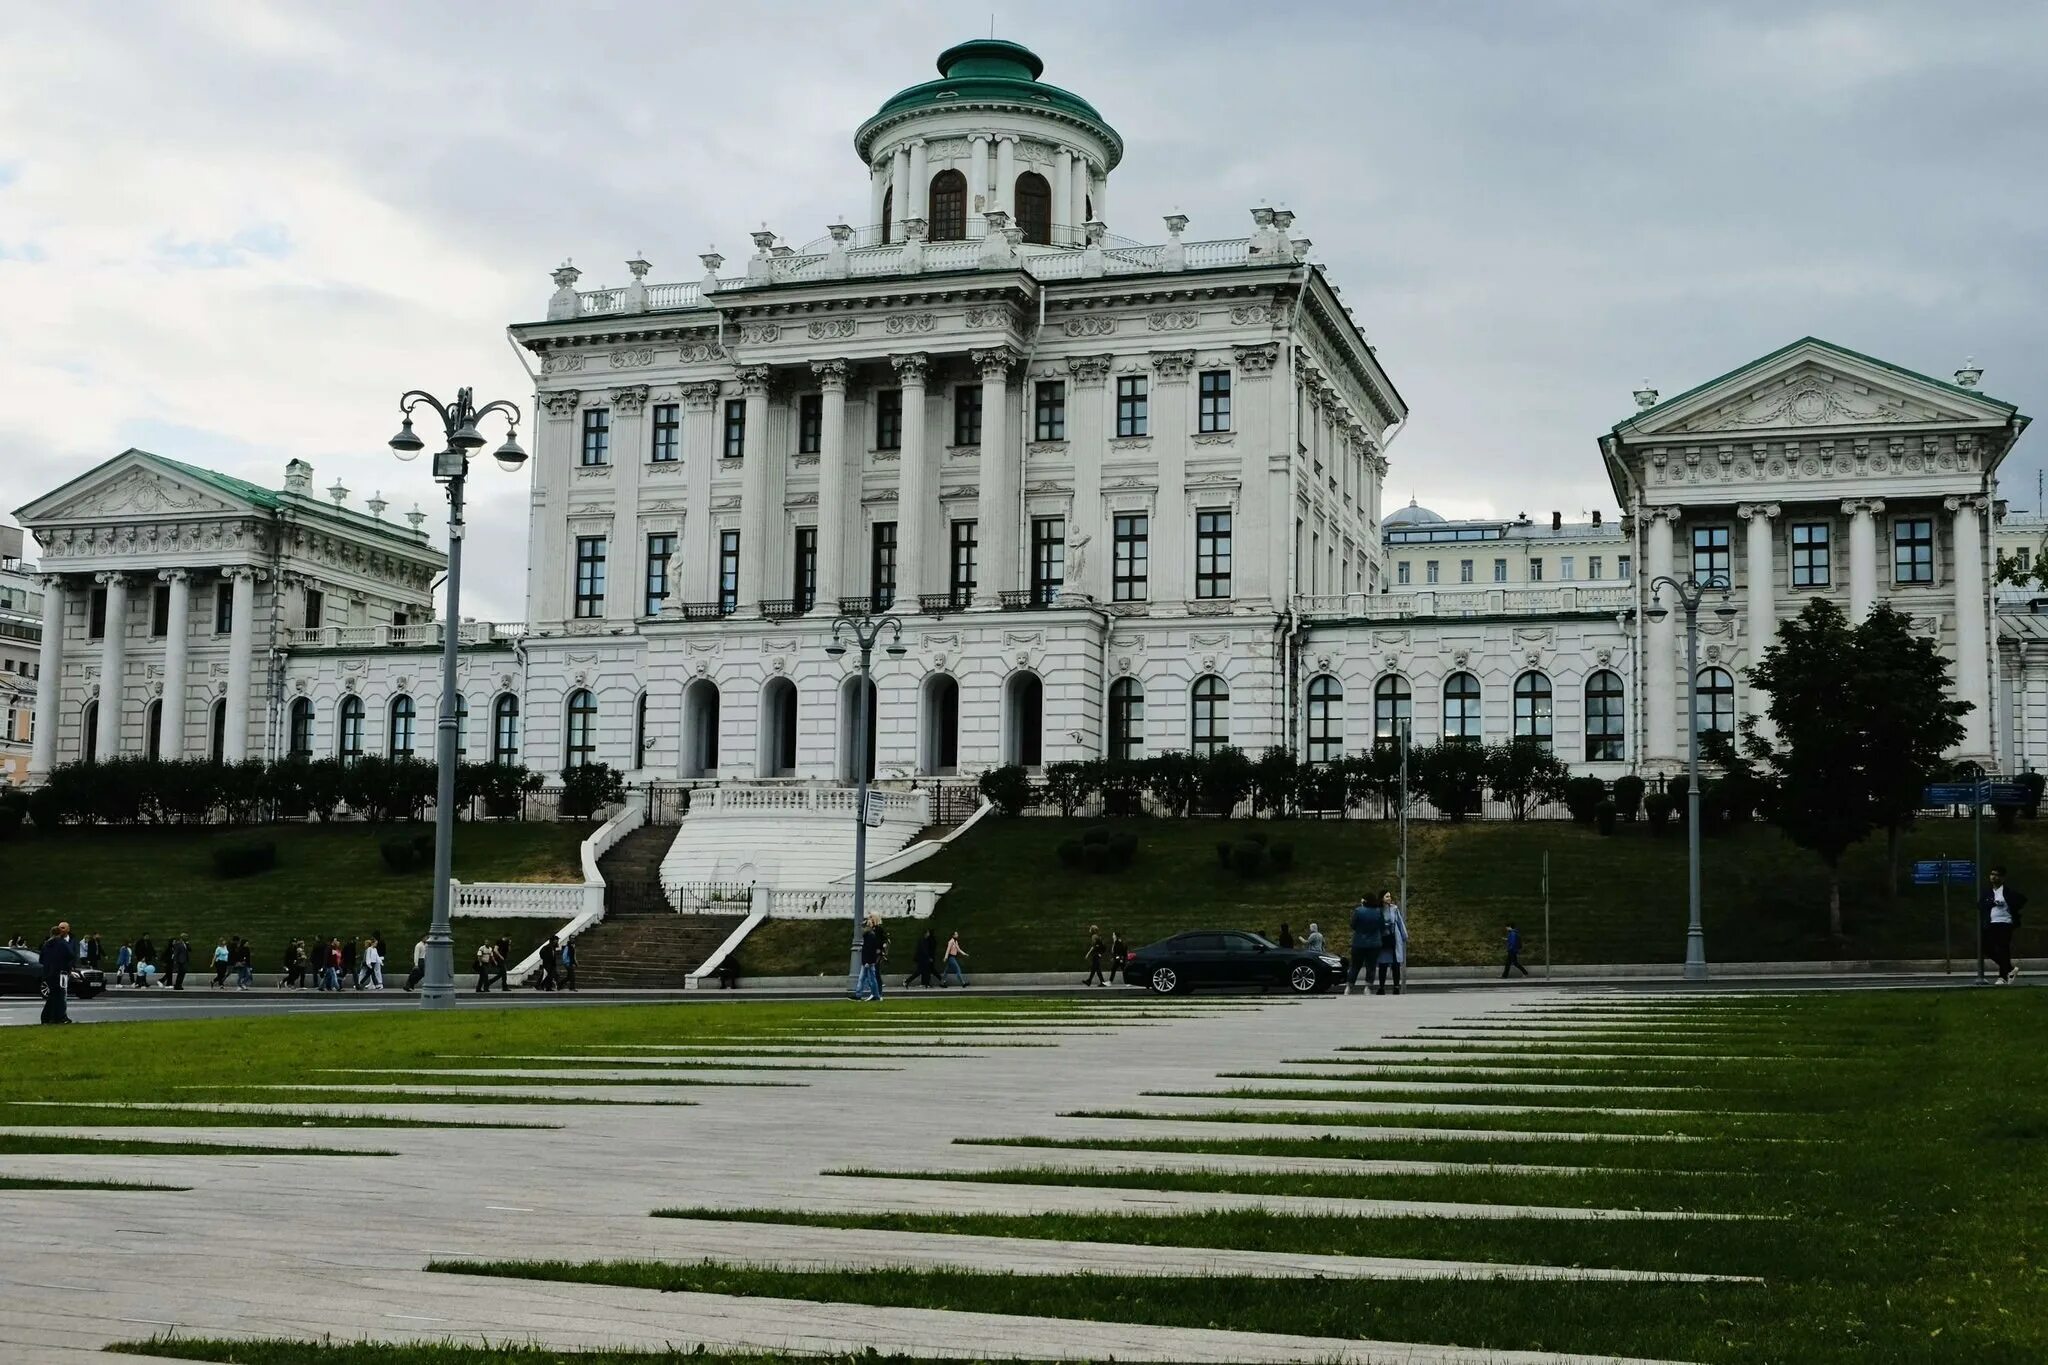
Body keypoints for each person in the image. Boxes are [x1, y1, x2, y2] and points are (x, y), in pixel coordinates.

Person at [1982, 868, 2026, 985]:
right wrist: (1992, 903)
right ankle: (2009, 969)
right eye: (1992, 874)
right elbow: (1980, 905)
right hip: (1991, 923)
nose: (1994, 877)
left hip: (2005, 923)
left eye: (1997, 875)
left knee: (2003, 949)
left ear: (2003, 878)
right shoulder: (1988, 892)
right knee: (1986, 947)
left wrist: (2012, 907)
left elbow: (2022, 900)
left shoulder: (2007, 892)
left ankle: (2003, 977)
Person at [1347, 893, 1386, 995]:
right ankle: (1367, 988)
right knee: (1371, 966)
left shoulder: (1358, 911)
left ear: (1364, 901)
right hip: (1374, 943)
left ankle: (1349, 987)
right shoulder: (1378, 912)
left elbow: (1353, 925)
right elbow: (1382, 926)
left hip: (1358, 943)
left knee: (1355, 966)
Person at [39, 921, 75, 1025]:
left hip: (48, 973)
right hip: (60, 972)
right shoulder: (62, 943)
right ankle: (58, 1017)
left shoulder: (46, 944)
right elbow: (70, 955)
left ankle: (48, 1017)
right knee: (60, 995)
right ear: (59, 933)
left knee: (53, 995)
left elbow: (41, 959)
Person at [1375, 891, 1408, 995]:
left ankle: (1396, 986)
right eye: (1387, 896)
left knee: (1395, 964)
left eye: (1390, 896)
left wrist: (1404, 935)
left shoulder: (1394, 908)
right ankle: (1381, 987)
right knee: (1383, 963)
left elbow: (1399, 922)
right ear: (1382, 898)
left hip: (1394, 937)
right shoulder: (1377, 910)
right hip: (1382, 938)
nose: (1389, 898)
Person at [855, 915, 886, 1001]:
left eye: (871, 917)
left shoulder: (874, 933)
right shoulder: (870, 934)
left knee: (872, 977)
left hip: (870, 959)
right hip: (869, 959)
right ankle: (872, 995)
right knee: (868, 977)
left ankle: (875, 995)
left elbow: (872, 947)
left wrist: (868, 961)